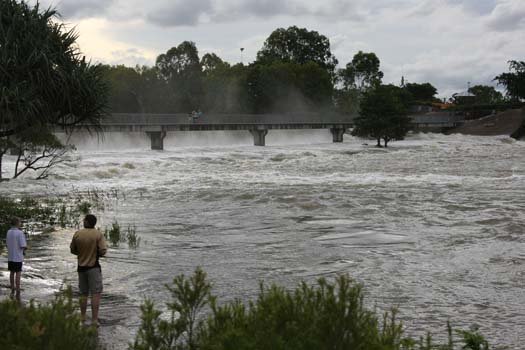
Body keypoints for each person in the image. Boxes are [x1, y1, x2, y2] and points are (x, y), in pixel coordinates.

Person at [70, 214, 107, 326]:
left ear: (86, 222)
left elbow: (72, 250)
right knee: (95, 293)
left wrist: (81, 254)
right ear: (94, 223)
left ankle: (82, 317)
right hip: (93, 267)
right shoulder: (98, 234)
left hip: (81, 267)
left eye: (84, 220)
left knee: (83, 293)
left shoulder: (77, 234)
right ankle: (94, 320)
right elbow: (103, 251)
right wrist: (96, 253)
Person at [6, 217, 27, 298]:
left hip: (10, 256)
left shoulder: (8, 232)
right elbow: (23, 245)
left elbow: (7, 243)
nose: (20, 223)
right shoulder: (20, 233)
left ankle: (12, 288)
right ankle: (18, 290)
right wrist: (26, 248)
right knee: (18, 273)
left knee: (12, 273)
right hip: (18, 257)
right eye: (20, 222)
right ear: (17, 223)